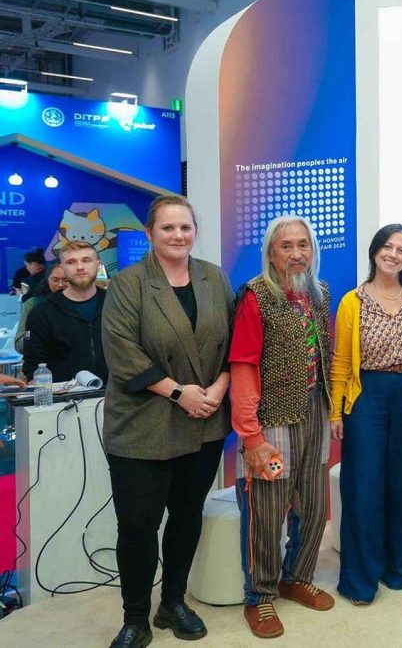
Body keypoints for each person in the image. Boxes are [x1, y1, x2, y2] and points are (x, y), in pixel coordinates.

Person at [102, 195, 234, 647]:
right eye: (168, 228)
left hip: (204, 421)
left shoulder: (215, 278)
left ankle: (173, 602)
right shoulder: (128, 284)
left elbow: (234, 342)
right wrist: (180, 393)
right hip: (144, 423)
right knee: (138, 526)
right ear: (150, 233)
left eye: (185, 227)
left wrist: (219, 387)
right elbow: (122, 353)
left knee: (186, 516)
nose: (178, 235)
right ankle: (135, 618)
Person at [230, 215, 335, 639]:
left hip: (314, 411)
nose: (295, 254)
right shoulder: (256, 296)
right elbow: (243, 366)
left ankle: (296, 577)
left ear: (313, 251)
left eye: (303, 245)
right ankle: (259, 595)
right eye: (285, 246)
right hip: (271, 418)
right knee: (266, 511)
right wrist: (250, 435)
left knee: (313, 504)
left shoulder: (319, 293)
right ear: (271, 254)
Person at [331, 224, 402, 605]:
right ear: (375, 251)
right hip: (366, 395)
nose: (393, 254)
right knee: (363, 486)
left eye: (401, 250)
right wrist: (336, 411)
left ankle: (399, 569)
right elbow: (341, 360)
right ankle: (360, 580)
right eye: (387, 247)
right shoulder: (353, 301)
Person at [23, 241, 108, 384]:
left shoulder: (117, 304)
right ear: (62, 268)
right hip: (65, 395)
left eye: (86, 260)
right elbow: (33, 366)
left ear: (98, 265)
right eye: (71, 262)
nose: (80, 267)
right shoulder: (42, 313)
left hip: (116, 393)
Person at [15, 262, 67, 353]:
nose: (60, 285)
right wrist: (35, 338)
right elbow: (21, 340)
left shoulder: (83, 304)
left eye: (66, 280)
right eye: (55, 280)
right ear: (47, 280)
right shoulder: (33, 304)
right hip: (43, 359)